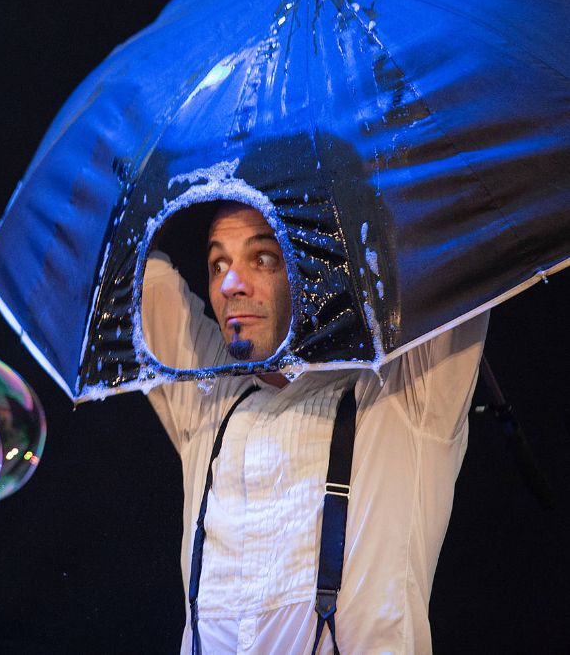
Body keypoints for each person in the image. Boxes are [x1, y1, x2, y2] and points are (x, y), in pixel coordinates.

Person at [142, 201, 487, 654]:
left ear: (312, 267)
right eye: (218, 263)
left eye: (263, 259)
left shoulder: (403, 396)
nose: (230, 284)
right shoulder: (209, 399)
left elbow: (452, 218)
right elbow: (130, 269)